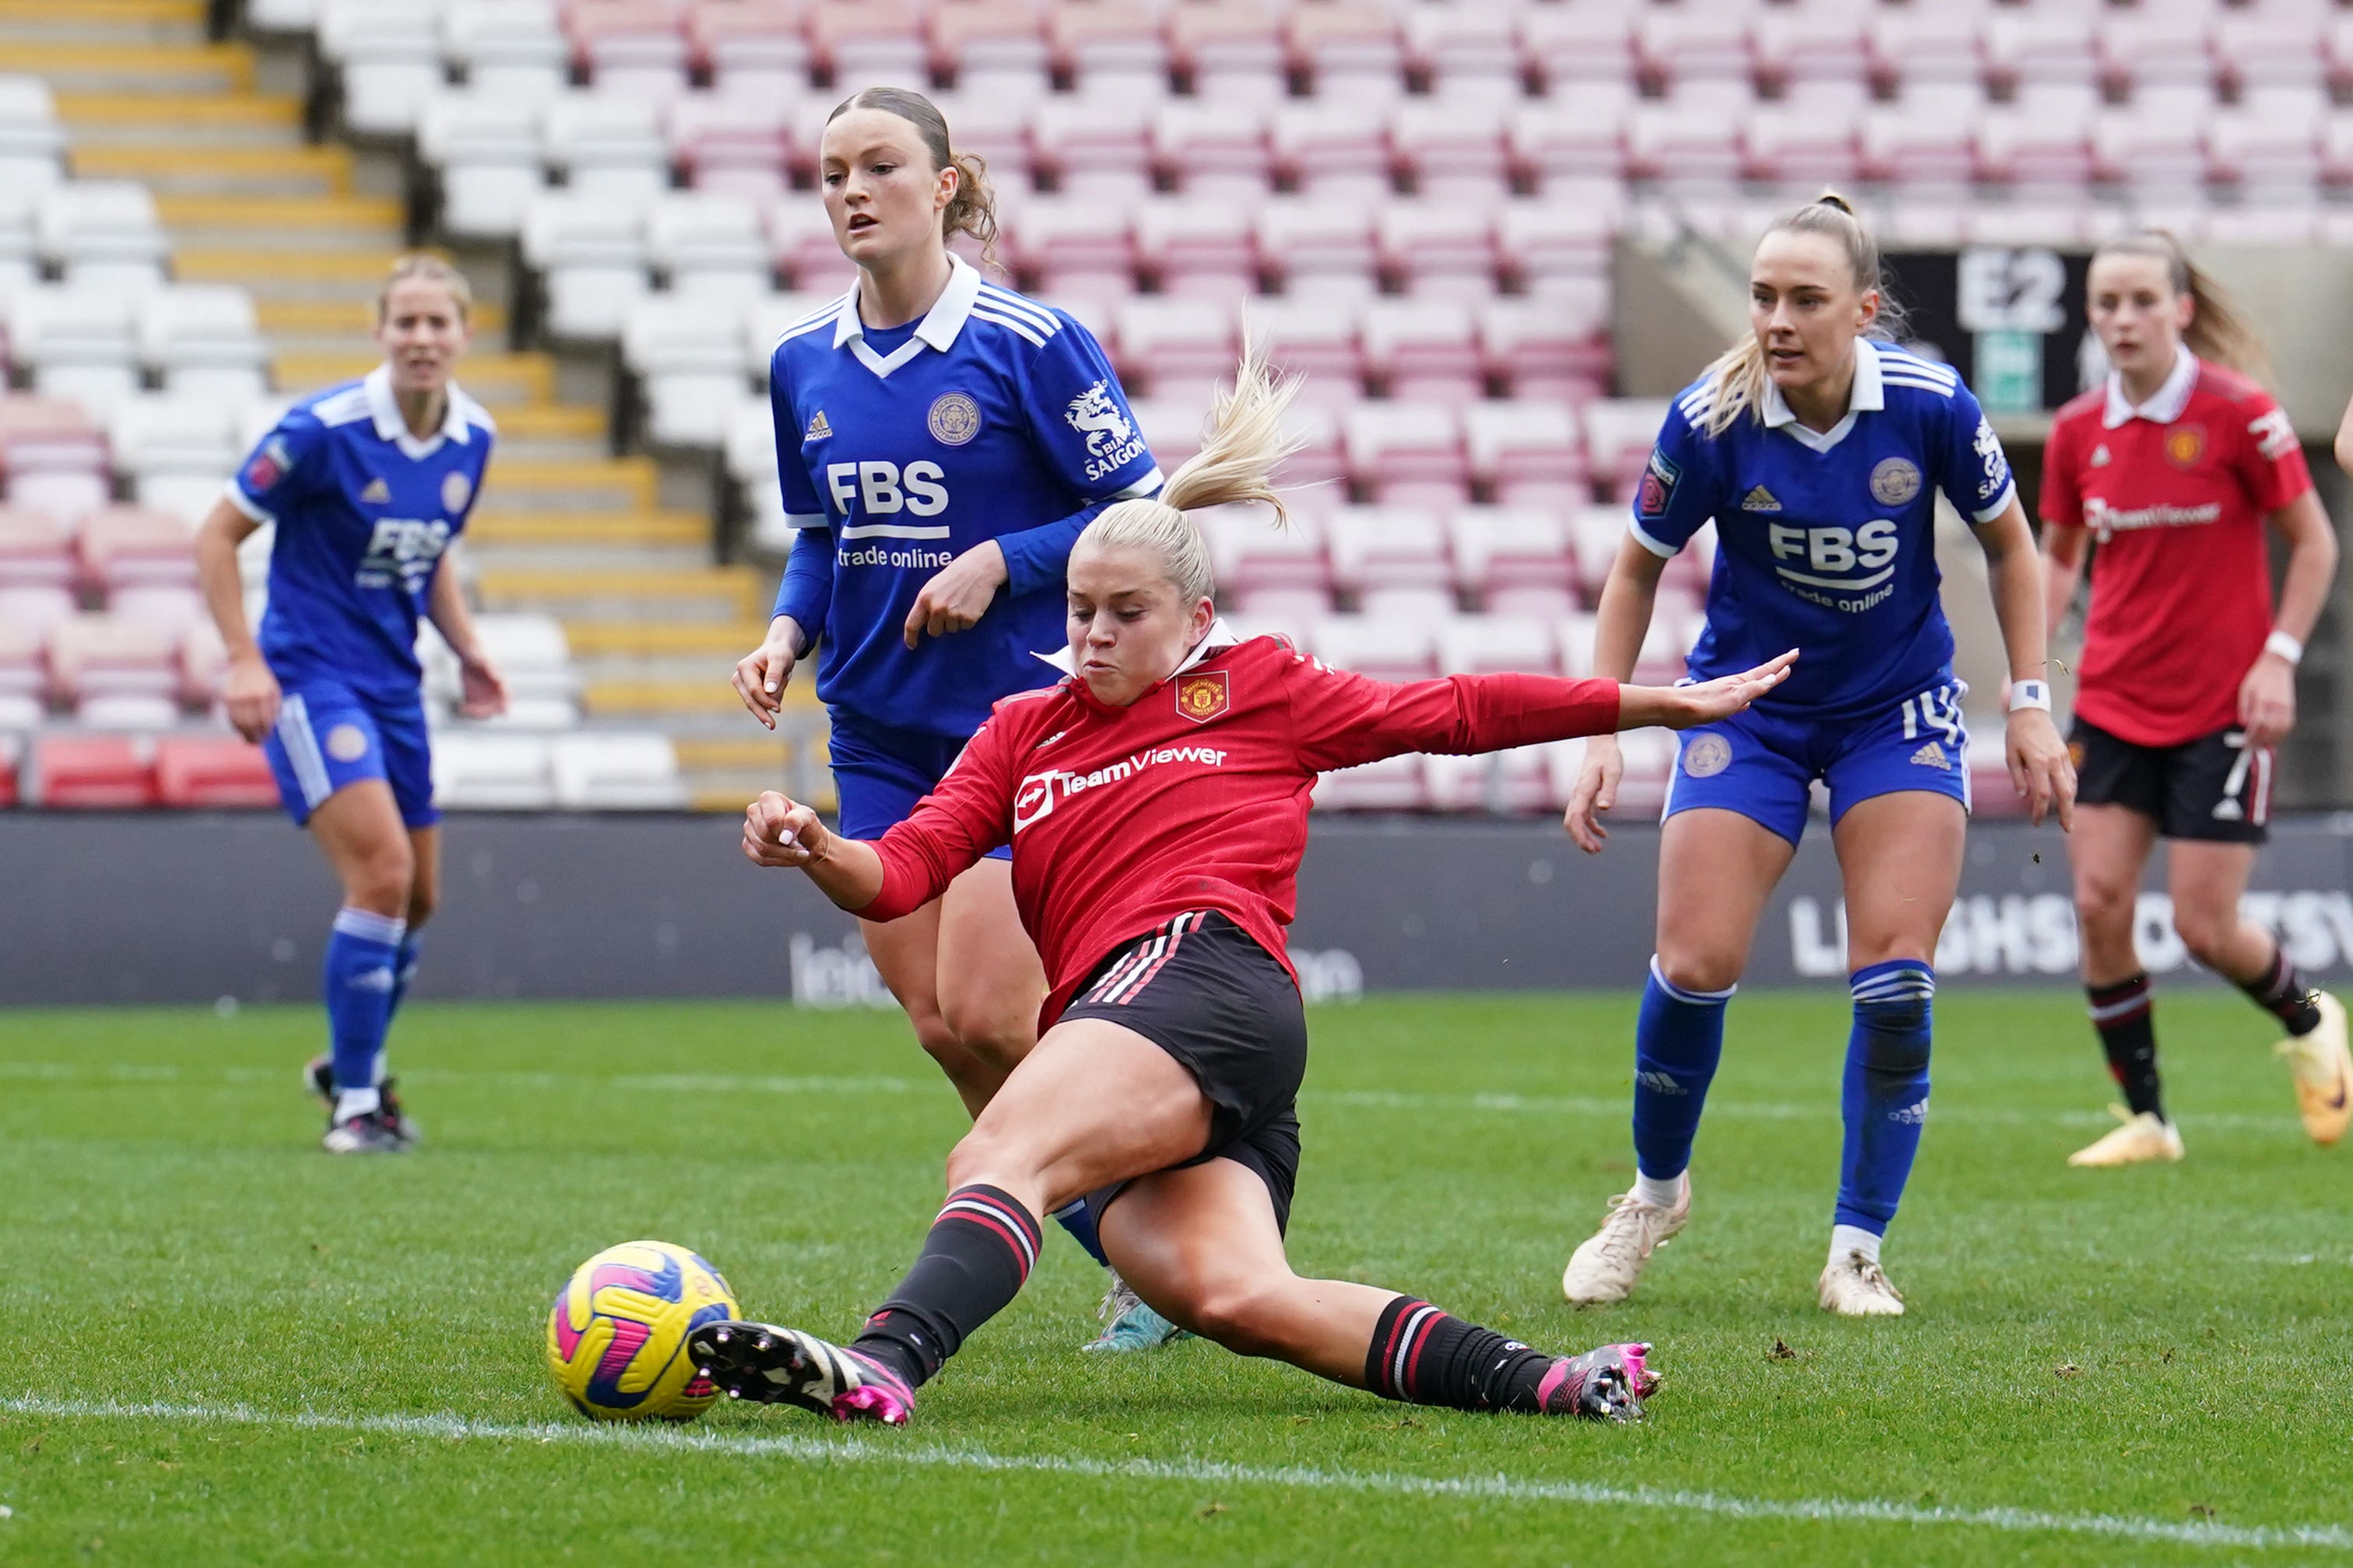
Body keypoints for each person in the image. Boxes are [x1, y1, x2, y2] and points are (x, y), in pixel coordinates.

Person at [688, 344, 1797, 1428]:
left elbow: (1456, 709)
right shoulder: (1020, 731)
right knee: (1235, 1296)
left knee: (997, 1150)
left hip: (1198, 973)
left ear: (1195, 622)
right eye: (1079, 609)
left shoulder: (1257, 688)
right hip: (1186, 1041)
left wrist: (1646, 704)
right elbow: (902, 875)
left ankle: (881, 1363)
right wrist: (815, 846)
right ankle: (1551, 1379)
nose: (1095, 633)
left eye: (1127, 612)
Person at [1556, 194, 2075, 1318]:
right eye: (1759, 297)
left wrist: (2027, 701)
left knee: (1892, 978)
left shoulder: (1930, 403)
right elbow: (1632, 570)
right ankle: (1649, 1194)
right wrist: (1606, 720)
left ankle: (1853, 1246)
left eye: (1803, 299)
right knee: (1692, 962)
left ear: (1864, 310)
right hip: (1746, 710)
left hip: (1893, 706)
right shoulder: (1709, 417)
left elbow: (2010, 545)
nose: (1775, 321)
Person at [729, 87, 1174, 1348]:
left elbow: (1142, 516)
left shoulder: (1030, 341)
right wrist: (783, 632)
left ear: (943, 185)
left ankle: (1157, 1248)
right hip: (870, 729)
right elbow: (820, 534)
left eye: (878, 165)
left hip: (1011, 729)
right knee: (937, 1023)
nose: (851, 189)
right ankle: (1140, 1234)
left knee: (989, 1010)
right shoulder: (802, 361)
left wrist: (1004, 562)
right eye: (830, 172)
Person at [2040, 232, 2345, 1167]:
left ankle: (2310, 1015)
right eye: (2105, 303)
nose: (2121, 319)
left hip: (2223, 708)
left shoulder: (2239, 414)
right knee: (2096, 900)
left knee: (2203, 927)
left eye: (2140, 300)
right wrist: (2026, 670)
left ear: (2179, 308)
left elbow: (2315, 542)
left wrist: (2278, 659)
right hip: (2112, 702)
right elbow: (2055, 559)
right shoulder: (2076, 430)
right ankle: (2147, 1117)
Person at [191, 254, 504, 1154]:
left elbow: (428, 551)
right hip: (308, 673)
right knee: (381, 875)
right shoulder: (320, 429)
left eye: (436, 323)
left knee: (419, 900)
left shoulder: (472, 438)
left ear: (463, 336)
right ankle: (357, 1105)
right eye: (403, 322)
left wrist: (468, 650)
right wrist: (244, 660)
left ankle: (347, 1063)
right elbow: (216, 536)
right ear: (379, 333)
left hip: (393, 683)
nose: (419, 338)